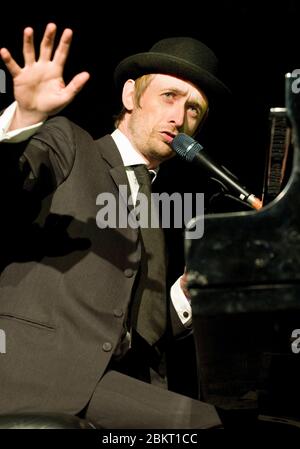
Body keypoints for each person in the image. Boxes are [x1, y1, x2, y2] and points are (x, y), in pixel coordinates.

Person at [0, 23, 229, 428]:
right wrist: (24, 120)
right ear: (130, 96)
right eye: (169, 96)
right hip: (32, 371)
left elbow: (140, 330)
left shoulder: (155, 209)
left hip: (112, 386)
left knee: (214, 422)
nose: (180, 118)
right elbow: (12, 186)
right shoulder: (68, 142)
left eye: (194, 109)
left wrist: (186, 295)